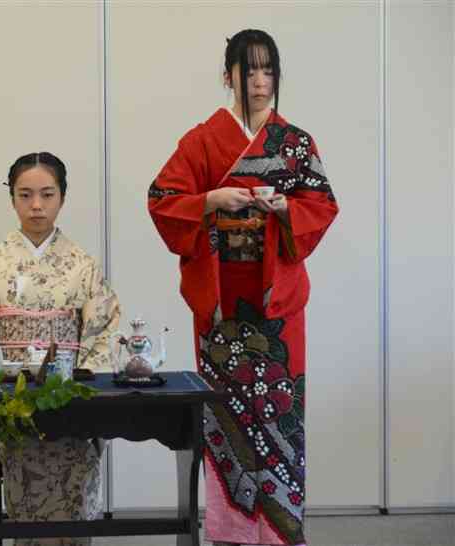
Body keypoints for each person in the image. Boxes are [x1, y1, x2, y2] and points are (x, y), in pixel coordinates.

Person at [147, 29, 338, 546]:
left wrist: (285, 209)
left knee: (280, 410)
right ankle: (231, 530)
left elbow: (322, 205)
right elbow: (162, 198)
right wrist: (211, 199)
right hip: (222, 300)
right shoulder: (202, 140)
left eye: (268, 70)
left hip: (277, 302)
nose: (259, 81)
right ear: (228, 74)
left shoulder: (294, 141)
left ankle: (277, 531)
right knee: (225, 416)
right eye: (248, 70)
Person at [0, 151, 121, 546]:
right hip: (13, 395)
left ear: (63, 197)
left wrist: (83, 382)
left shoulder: (82, 264)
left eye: (47, 194)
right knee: (23, 491)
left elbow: (106, 327)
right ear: (12, 198)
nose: (37, 205)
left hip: (69, 395)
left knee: (74, 491)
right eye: (25, 195)